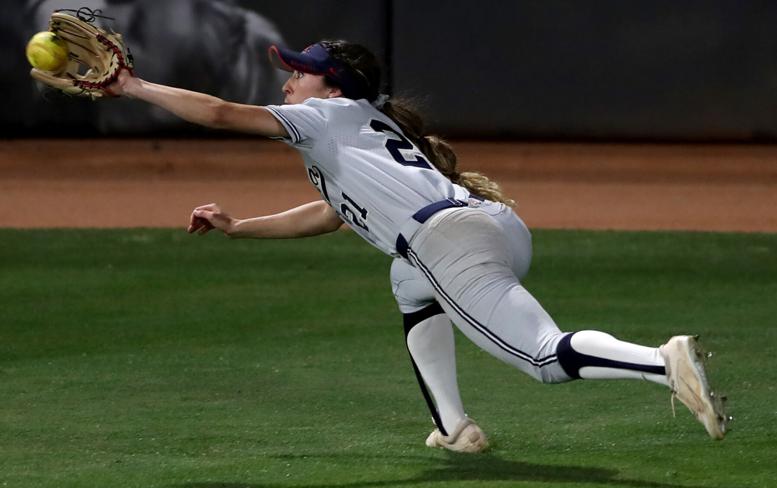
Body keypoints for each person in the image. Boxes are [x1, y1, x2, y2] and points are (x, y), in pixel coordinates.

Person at [105, 40, 728, 452]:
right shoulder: (355, 132)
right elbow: (326, 217)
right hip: (485, 227)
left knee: (542, 359)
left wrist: (133, 88)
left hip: (449, 242)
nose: (290, 78)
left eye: (301, 70)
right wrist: (240, 227)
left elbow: (216, 113)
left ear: (333, 86)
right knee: (409, 282)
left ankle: (661, 363)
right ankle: (452, 426)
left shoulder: (326, 117)